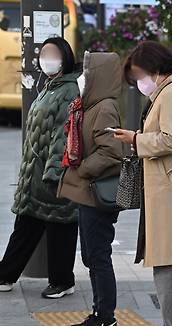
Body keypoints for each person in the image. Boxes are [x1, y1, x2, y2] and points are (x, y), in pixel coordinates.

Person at [115, 41, 172, 326]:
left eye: (139, 74)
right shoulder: (169, 90)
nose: (139, 82)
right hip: (170, 190)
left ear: (154, 68)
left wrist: (135, 140)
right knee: (169, 264)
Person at [0, 37, 79, 299]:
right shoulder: (50, 86)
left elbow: (62, 133)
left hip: (52, 172)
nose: (47, 58)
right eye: (43, 53)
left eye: (53, 53)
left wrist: (54, 172)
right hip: (37, 170)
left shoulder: (68, 90)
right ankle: (6, 274)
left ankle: (63, 281)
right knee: (27, 223)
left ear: (65, 57)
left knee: (60, 225)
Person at [58, 52, 123, 326]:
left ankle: (105, 317)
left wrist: (82, 169)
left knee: (97, 256)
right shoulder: (88, 106)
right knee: (91, 256)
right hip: (89, 193)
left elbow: (111, 151)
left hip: (97, 194)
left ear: (100, 75)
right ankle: (99, 313)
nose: (83, 76)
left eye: (88, 70)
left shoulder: (104, 107)